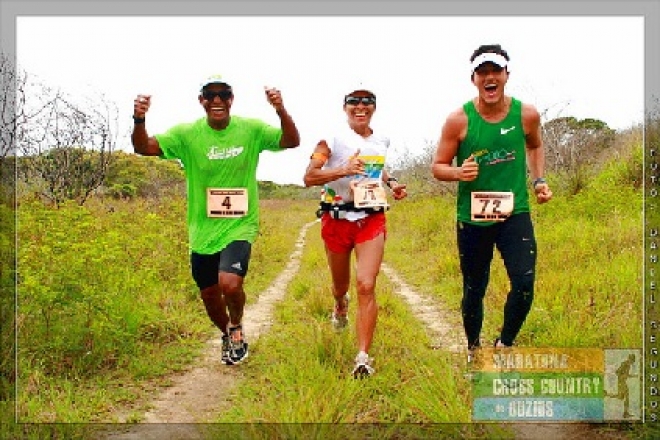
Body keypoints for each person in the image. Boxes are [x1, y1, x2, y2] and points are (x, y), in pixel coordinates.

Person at [131, 75, 300, 365]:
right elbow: (143, 147)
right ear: (201, 101)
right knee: (209, 294)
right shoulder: (186, 135)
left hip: (240, 223)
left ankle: (235, 324)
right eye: (210, 95)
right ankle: (227, 334)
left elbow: (291, 141)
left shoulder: (251, 130)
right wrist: (138, 118)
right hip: (202, 229)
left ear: (232, 99)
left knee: (230, 284)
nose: (217, 100)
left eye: (224, 94)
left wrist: (280, 110)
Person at [431, 44, 553, 360]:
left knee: (525, 283)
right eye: (482, 72)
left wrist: (538, 180)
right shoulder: (458, 120)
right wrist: (459, 172)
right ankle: (473, 348)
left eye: (495, 71)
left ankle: (505, 344)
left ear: (506, 76)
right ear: (473, 79)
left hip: (515, 213)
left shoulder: (526, 114)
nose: (489, 77)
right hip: (473, 218)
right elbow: (437, 167)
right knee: (475, 288)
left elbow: (535, 146)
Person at [303, 86, 408, 378]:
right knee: (341, 287)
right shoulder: (330, 139)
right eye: (354, 102)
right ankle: (339, 306)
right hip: (336, 220)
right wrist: (343, 171)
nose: (360, 106)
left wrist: (393, 183)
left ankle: (363, 357)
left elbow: (378, 170)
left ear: (374, 107)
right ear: (345, 107)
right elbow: (309, 177)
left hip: (371, 218)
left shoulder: (382, 139)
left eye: (367, 102)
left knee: (366, 284)